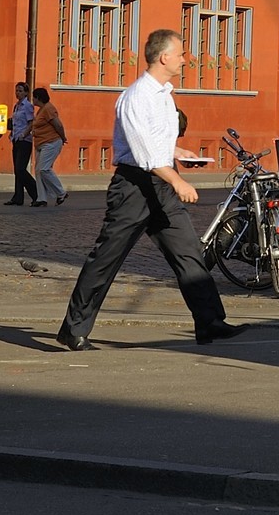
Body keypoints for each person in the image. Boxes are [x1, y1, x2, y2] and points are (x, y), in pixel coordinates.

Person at [54, 28, 241, 351]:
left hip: (161, 184)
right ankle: (73, 329)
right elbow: (143, 154)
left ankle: (209, 321)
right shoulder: (137, 97)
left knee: (189, 252)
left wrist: (179, 153)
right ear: (164, 57)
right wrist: (177, 180)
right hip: (134, 187)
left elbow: (156, 144)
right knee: (106, 258)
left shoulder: (165, 94)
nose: (185, 60)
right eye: (181, 54)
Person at [30, 88, 67, 207]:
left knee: (44, 169)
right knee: (38, 171)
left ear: (38, 98)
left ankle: (61, 192)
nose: (32, 99)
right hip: (41, 143)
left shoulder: (48, 109)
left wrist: (63, 137)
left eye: (34, 97)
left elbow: (58, 125)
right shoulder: (41, 110)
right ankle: (42, 198)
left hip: (51, 142)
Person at [4, 82, 37, 208]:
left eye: (20, 91)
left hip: (24, 140)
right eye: (16, 91)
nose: (18, 93)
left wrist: (24, 134)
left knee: (20, 169)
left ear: (26, 93)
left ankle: (36, 193)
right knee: (17, 170)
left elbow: (31, 123)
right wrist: (12, 133)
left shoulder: (27, 106)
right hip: (16, 139)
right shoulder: (16, 106)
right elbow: (15, 122)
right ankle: (18, 197)